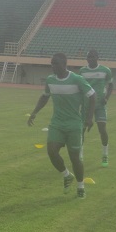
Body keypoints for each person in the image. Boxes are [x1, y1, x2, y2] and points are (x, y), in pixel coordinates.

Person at [28, 53, 96, 199]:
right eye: (52, 64)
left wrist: (89, 118)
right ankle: (66, 175)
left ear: (64, 64)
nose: (53, 66)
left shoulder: (77, 79)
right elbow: (45, 96)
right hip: (57, 123)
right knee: (52, 151)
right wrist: (34, 112)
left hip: (74, 124)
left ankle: (80, 186)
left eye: (56, 64)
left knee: (75, 158)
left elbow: (92, 95)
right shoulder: (50, 80)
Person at [79, 49, 113, 167]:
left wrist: (106, 98)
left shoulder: (105, 70)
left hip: (100, 105)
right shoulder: (82, 71)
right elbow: (80, 87)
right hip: (86, 105)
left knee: (102, 129)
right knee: (81, 130)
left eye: (93, 56)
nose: (90, 59)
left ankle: (105, 154)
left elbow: (111, 85)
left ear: (97, 57)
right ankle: (80, 155)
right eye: (88, 57)